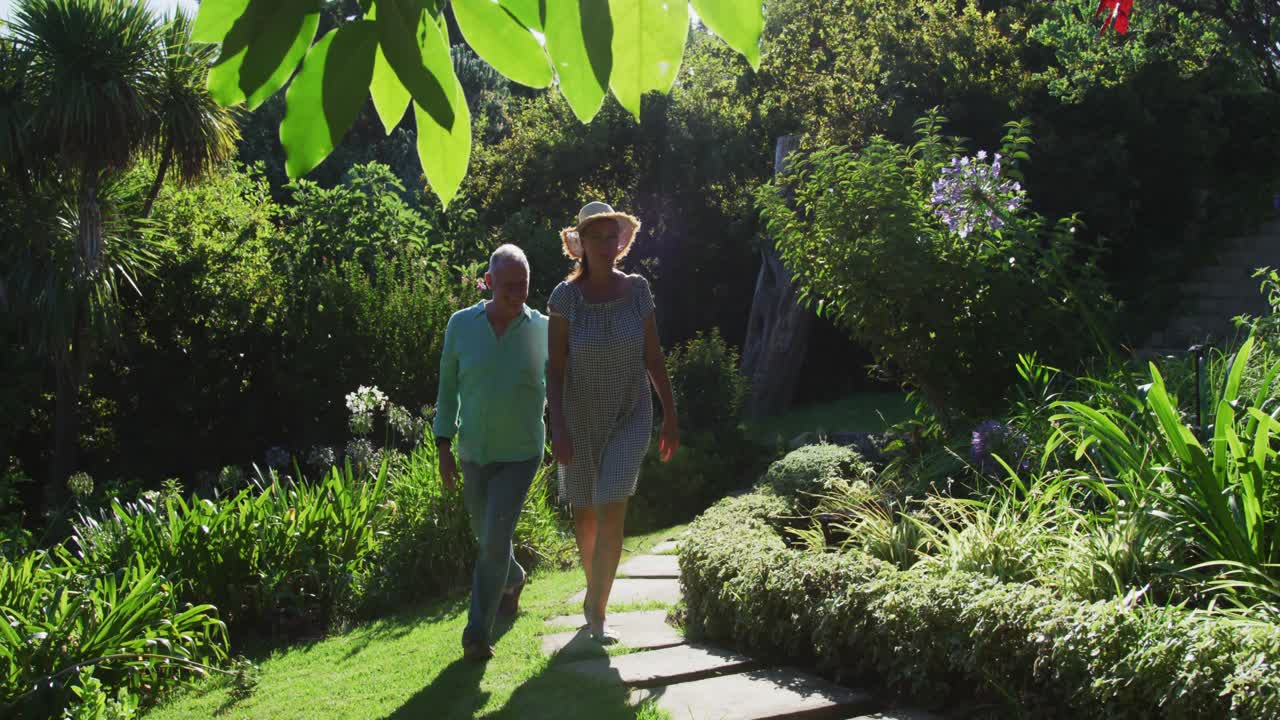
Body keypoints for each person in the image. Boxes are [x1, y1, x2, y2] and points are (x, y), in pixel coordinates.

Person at [546, 201, 680, 643]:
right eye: (595, 237)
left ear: (619, 242)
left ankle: (596, 611)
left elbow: (653, 356)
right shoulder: (564, 298)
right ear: (580, 244)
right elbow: (555, 368)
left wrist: (670, 415)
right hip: (579, 419)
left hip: (629, 412)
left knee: (612, 502)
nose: (604, 245)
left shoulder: (638, 290)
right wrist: (559, 426)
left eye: (610, 236)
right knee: (584, 513)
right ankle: (594, 591)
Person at [434, 244, 549, 662]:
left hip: (520, 454)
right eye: (508, 287)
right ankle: (513, 577)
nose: (518, 294)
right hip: (473, 453)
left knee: (495, 537)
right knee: (489, 538)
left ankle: (476, 633)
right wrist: (443, 446)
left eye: (524, 286)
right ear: (488, 283)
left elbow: (563, 382)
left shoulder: (542, 329)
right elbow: (448, 391)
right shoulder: (461, 325)